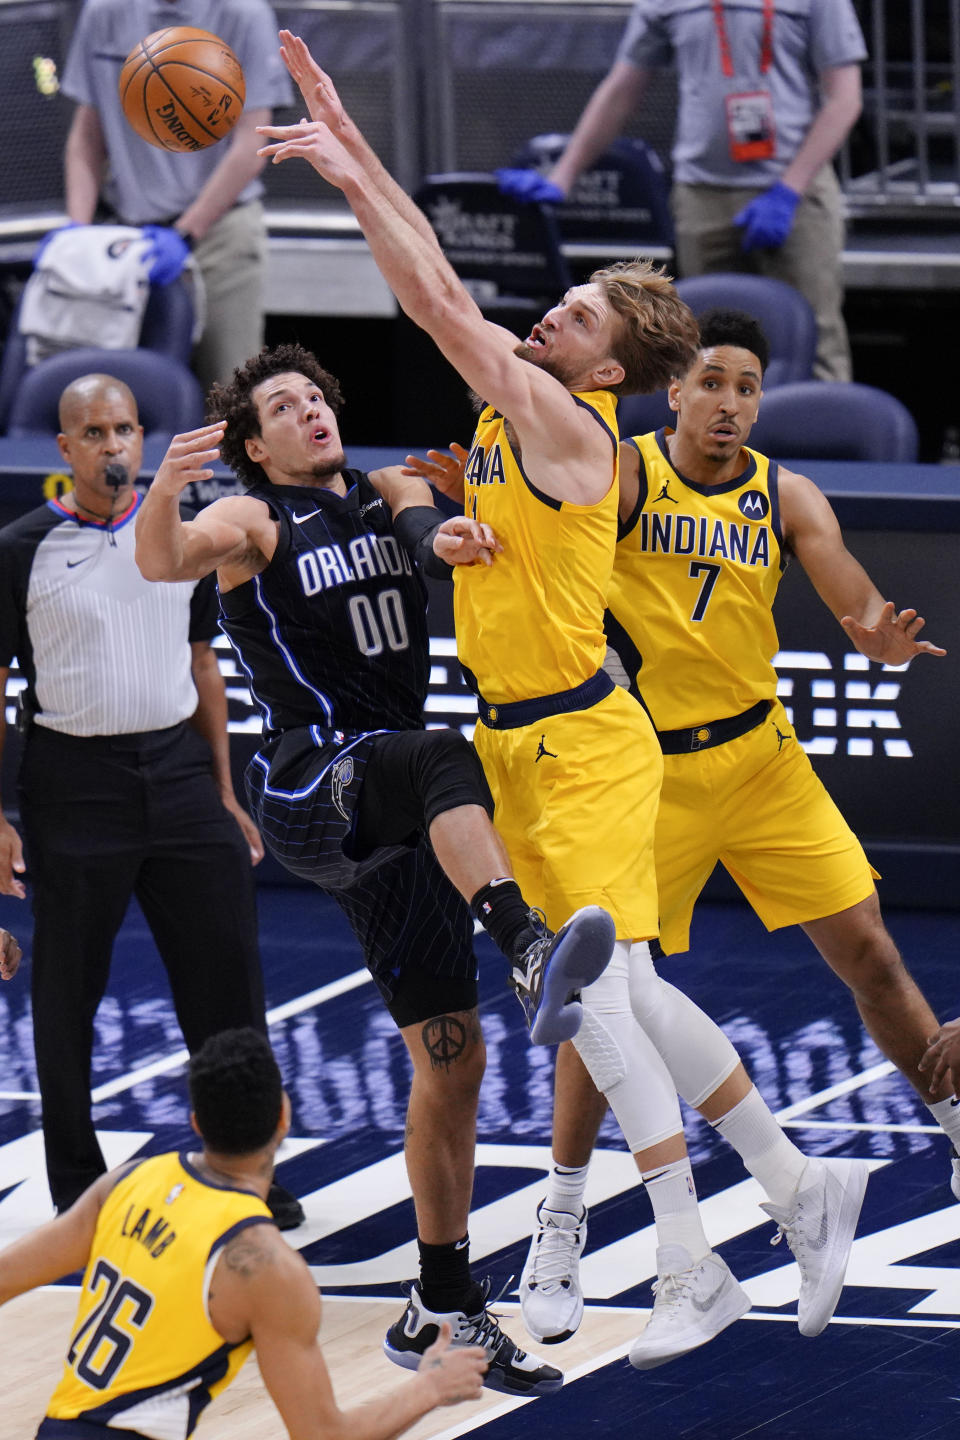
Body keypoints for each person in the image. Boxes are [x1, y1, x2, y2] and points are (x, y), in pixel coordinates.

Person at [254, 33, 790, 1372]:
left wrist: (341, 158)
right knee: (636, 1001)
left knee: (597, 1003)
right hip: (519, 742)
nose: (554, 314)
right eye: (560, 309)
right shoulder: (519, 407)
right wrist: (347, 146)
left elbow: (435, 301)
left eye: (583, 316)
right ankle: (791, 1182)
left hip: (591, 738)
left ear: (609, 368)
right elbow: (424, 287)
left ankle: (690, 1261)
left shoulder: (569, 424)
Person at [132, 339, 621, 1397]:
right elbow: (165, 562)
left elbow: (418, 524)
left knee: (454, 1061)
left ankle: (441, 1303)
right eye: (283, 405)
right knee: (444, 750)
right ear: (253, 444)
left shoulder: (386, 483)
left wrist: (438, 532)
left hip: (399, 815)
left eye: (316, 395)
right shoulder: (252, 520)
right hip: (314, 785)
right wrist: (168, 492)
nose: (310, 410)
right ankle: (528, 945)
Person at [512, 307, 954, 1346]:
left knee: (872, 954)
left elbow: (853, 596)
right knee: (596, 999)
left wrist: (879, 638)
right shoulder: (623, 476)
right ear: (675, 390)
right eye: (712, 382)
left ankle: (956, 1128)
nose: (729, 404)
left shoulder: (783, 493)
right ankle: (563, 1216)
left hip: (761, 759)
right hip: (645, 770)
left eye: (748, 387)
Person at [0, 372, 303, 1233]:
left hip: (177, 778)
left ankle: (251, 1167)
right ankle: (73, 1188)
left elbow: (205, 663)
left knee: (228, 988)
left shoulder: (184, 537)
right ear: (64, 449)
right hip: (71, 785)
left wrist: (221, 790)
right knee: (68, 995)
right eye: (93, 433)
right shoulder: (22, 547)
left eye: (125, 429)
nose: (113, 447)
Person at [0, 1026, 488, 1439]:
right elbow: (323, 1435)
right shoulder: (265, 1265)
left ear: (196, 1123)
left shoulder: (128, 1183)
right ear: (284, 1115)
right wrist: (428, 1388)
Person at [497, 0, 866, 383]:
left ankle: (820, 440)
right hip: (702, 195)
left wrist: (789, 190)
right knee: (706, 342)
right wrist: (564, 174)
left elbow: (845, 98)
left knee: (815, 337)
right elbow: (623, 88)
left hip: (796, 192)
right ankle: (712, 443)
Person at [61, 0, 293, 391]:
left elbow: (252, 143)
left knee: (234, 393)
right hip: (129, 238)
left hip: (221, 235)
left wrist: (186, 233)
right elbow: (87, 135)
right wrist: (77, 235)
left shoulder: (244, 15)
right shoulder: (104, 13)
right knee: (116, 392)